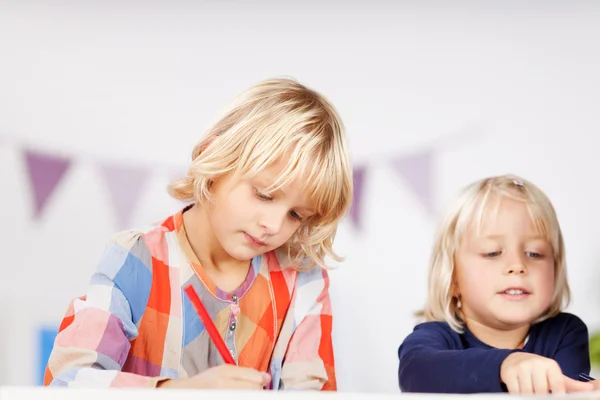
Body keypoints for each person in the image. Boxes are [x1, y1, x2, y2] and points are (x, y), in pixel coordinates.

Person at [43, 77, 353, 390]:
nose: (274, 225)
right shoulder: (135, 259)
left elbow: (312, 392)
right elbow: (67, 382)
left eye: (296, 215)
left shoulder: (302, 279)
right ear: (213, 159)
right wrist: (178, 392)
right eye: (264, 194)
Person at [398, 174, 594, 394]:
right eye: (492, 253)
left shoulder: (564, 333)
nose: (518, 265)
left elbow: (571, 392)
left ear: (556, 270)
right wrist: (505, 364)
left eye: (534, 253)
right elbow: (414, 373)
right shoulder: (434, 337)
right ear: (452, 279)